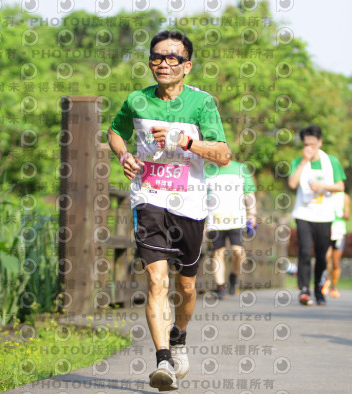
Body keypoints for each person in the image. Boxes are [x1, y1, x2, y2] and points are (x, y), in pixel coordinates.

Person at [108, 30, 230, 391]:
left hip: (190, 202)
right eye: (157, 57)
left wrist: (186, 141)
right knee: (156, 281)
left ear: (187, 66)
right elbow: (114, 132)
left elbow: (223, 155)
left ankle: (179, 337)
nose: (163, 63)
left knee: (187, 286)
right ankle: (162, 361)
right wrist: (124, 155)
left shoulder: (202, 104)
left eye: (172, 58)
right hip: (149, 198)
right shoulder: (137, 100)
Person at [288, 125, 346, 306]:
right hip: (304, 213)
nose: (309, 148)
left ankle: (319, 290)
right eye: (306, 145)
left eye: (313, 144)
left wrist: (323, 186)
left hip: (324, 215)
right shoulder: (298, 161)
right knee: (304, 252)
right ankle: (304, 290)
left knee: (322, 256)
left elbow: (340, 186)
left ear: (320, 143)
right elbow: (292, 183)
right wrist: (304, 162)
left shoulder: (331, 162)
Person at [205, 158, 257, 299]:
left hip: (237, 220)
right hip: (214, 220)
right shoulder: (207, 171)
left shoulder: (241, 168)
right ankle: (220, 287)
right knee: (218, 253)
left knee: (238, 251)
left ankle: (234, 275)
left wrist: (252, 213)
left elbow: (249, 193)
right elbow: (201, 197)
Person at [321, 192, 350, 298]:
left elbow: (348, 215)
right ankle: (325, 281)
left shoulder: (344, 197)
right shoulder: (325, 194)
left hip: (339, 232)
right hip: (327, 230)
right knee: (325, 257)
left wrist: (341, 214)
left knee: (336, 262)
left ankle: (334, 286)